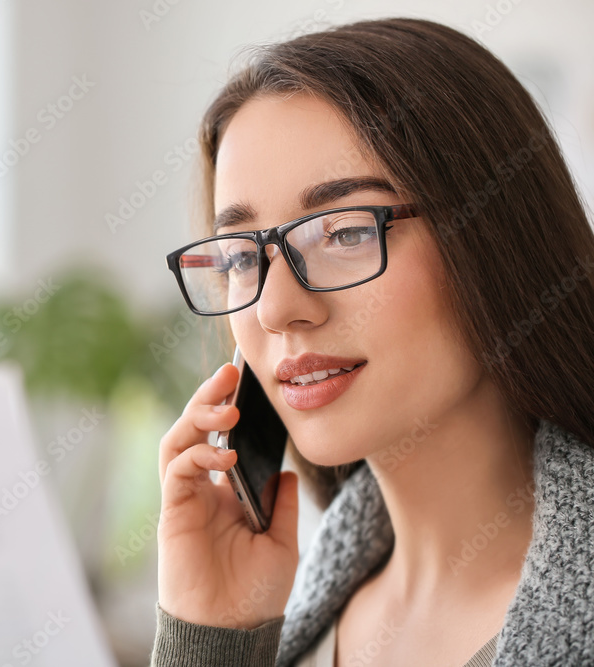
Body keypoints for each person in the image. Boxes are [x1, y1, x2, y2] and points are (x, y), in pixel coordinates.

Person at [151, 16, 594, 667]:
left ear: (492, 237)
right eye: (244, 256)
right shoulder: (283, 621)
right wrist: (212, 638)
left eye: (345, 232)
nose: (277, 308)